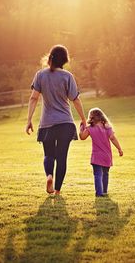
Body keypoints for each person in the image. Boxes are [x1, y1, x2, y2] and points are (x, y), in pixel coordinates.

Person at [26, 45, 87, 195]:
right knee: (62, 157)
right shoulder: (67, 76)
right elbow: (76, 100)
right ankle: (58, 190)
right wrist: (84, 120)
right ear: (65, 60)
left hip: (47, 123)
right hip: (65, 123)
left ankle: (49, 176)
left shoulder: (40, 75)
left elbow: (33, 98)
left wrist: (29, 120)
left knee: (49, 155)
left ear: (50, 58)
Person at [79, 108, 123, 197]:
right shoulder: (107, 127)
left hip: (96, 156)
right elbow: (113, 138)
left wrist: (81, 128)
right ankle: (104, 191)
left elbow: (82, 137)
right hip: (107, 156)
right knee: (105, 174)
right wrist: (119, 149)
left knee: (97, 175)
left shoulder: (90, 128)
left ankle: (99, 193)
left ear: (91, 118)